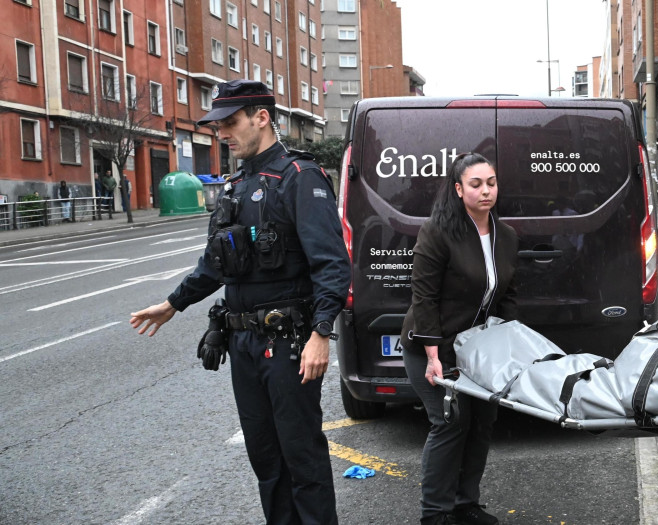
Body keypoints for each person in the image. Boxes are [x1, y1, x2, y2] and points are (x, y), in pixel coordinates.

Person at [129, 79, 348, 525]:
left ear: (261, 117)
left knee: (302, 459)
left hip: (289, 345)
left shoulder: (300, 178)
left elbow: (333, 265)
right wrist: (173, 304)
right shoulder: (236, 185)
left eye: (230, 123)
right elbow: (216, 263)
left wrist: (321, 333)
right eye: (218, 126)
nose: (222, 134)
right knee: (267, 462)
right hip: (244, 346)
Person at [400, 153, 518, 525]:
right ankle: (434, 514)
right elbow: (424, 297)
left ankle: (465, 504)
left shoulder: (506, 236)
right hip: (432, 347)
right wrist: (434, 355)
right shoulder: (438, 232)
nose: (486, 191)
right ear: (458, 189)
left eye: (491, 183)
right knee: (450, 424)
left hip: (478, 349)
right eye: (476, 184)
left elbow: (508, 295)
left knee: (481, 423)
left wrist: (509, 344)